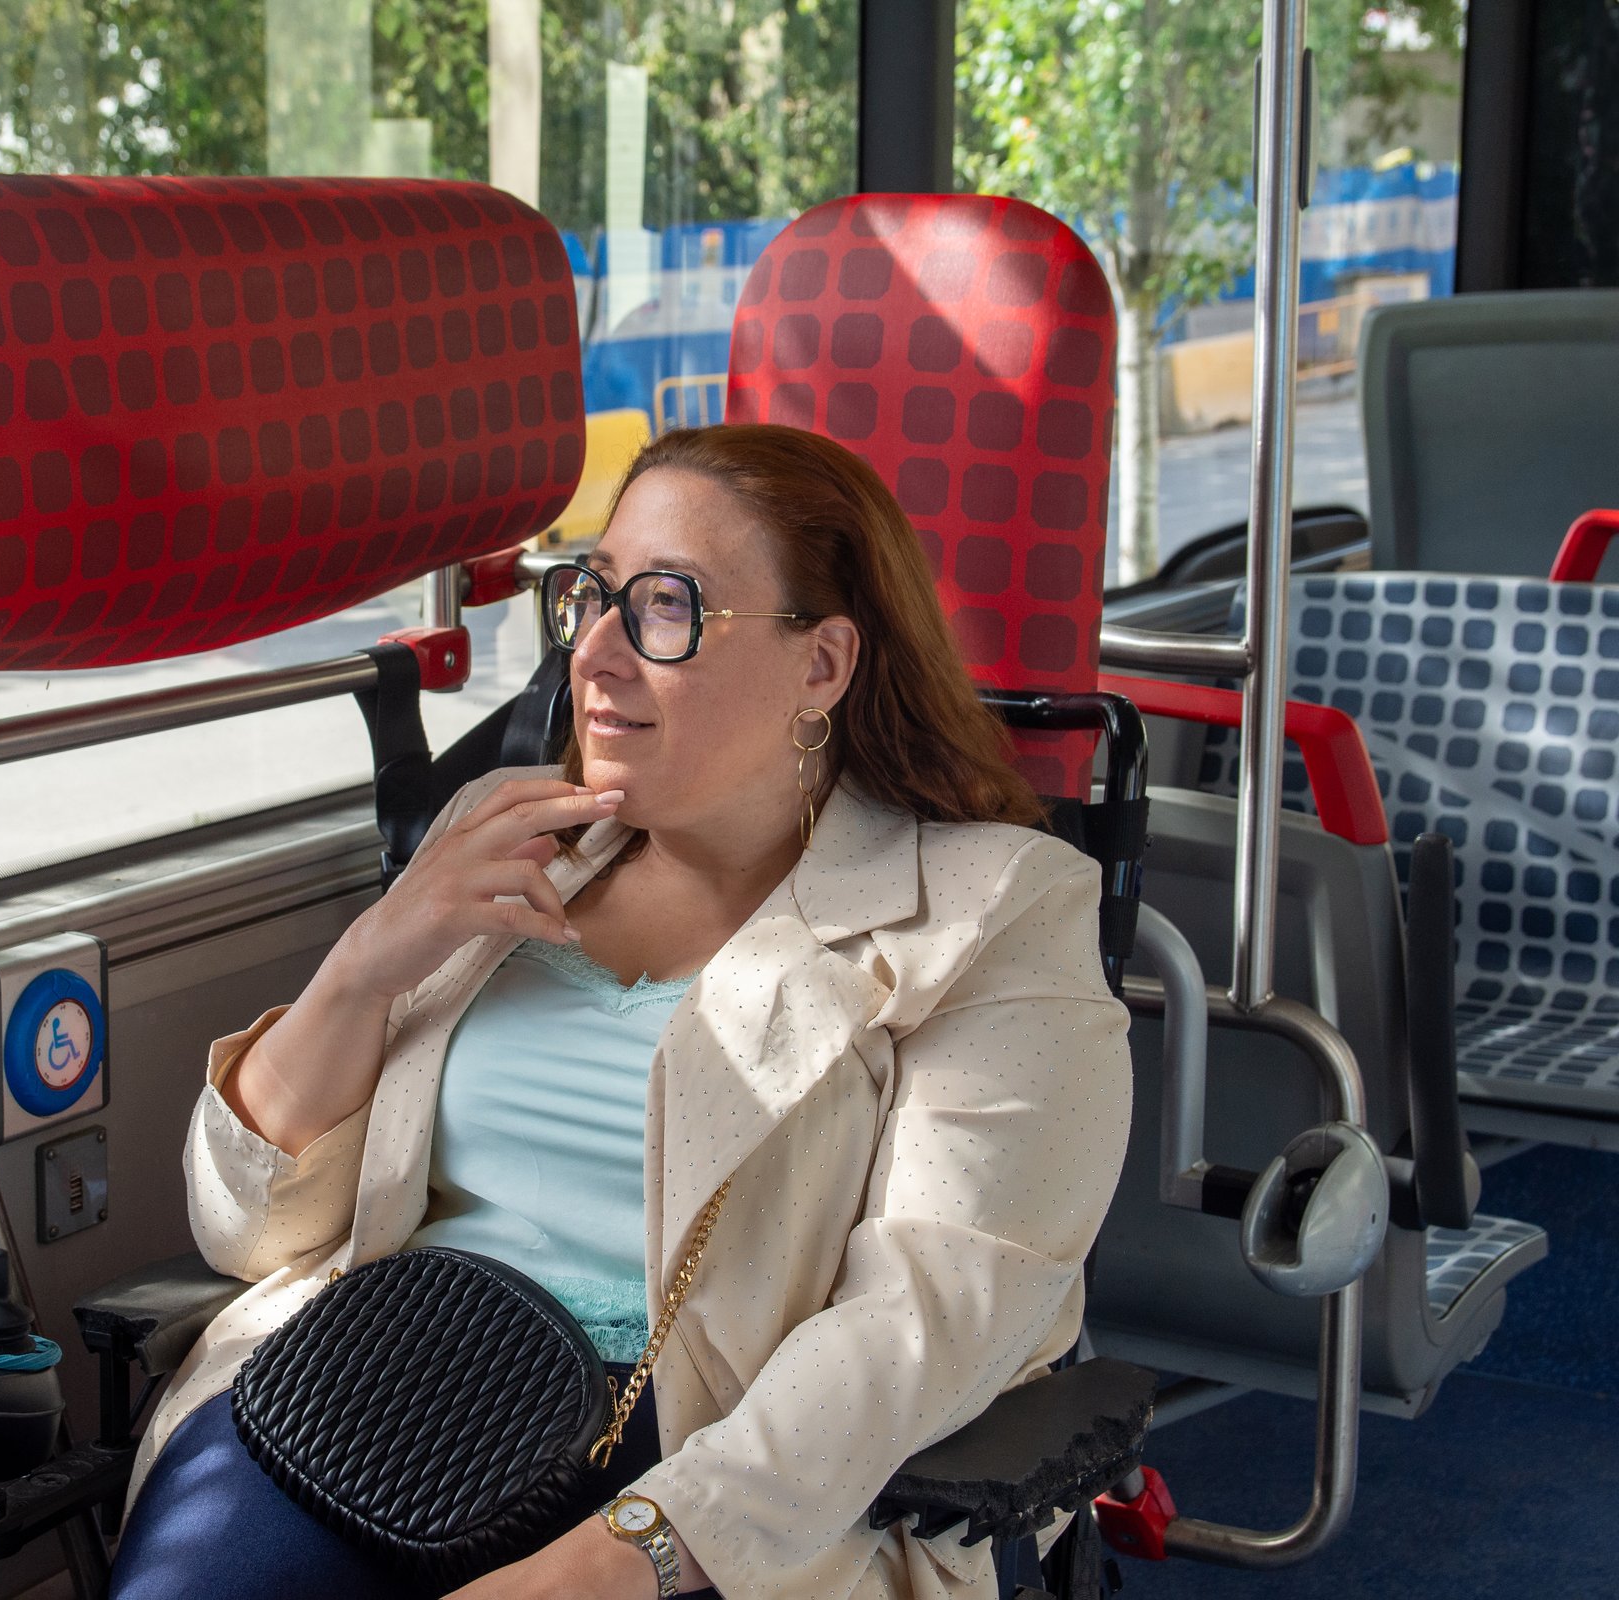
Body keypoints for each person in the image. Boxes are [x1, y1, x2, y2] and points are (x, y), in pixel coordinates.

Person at [110, 424, 1132, 1600]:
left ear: (822, 664)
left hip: (708, 1447)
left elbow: (924, 1324)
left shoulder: (992, 910)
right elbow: (244, 1232)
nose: (592, 653)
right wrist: (367, 963)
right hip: (367, 1388)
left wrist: (608, 1563)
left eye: (666, 607)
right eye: (591, 595)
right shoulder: (507, 832)